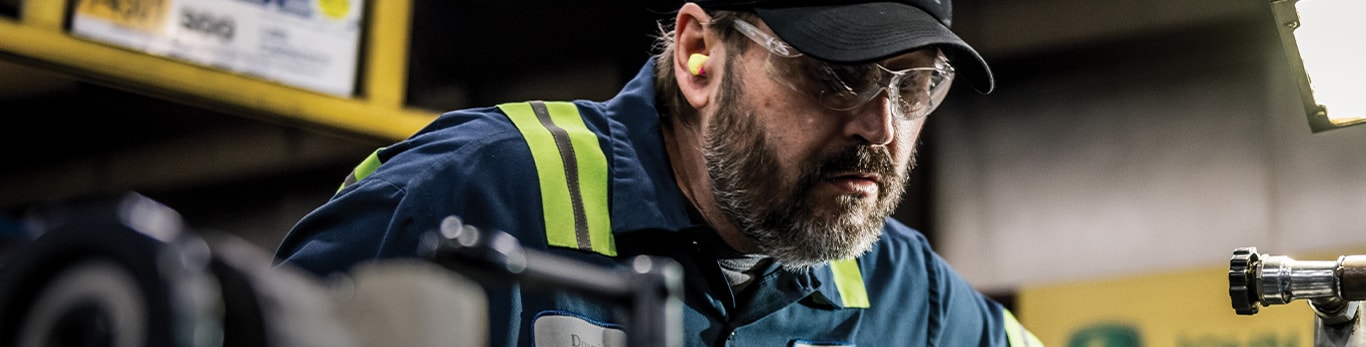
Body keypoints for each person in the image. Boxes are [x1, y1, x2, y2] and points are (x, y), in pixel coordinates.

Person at [276, 0, 1044, 346]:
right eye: (836, 77)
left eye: (914, 88)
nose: (881, 126)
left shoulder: (912, 298)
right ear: (699, 56)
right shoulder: (472, 191)